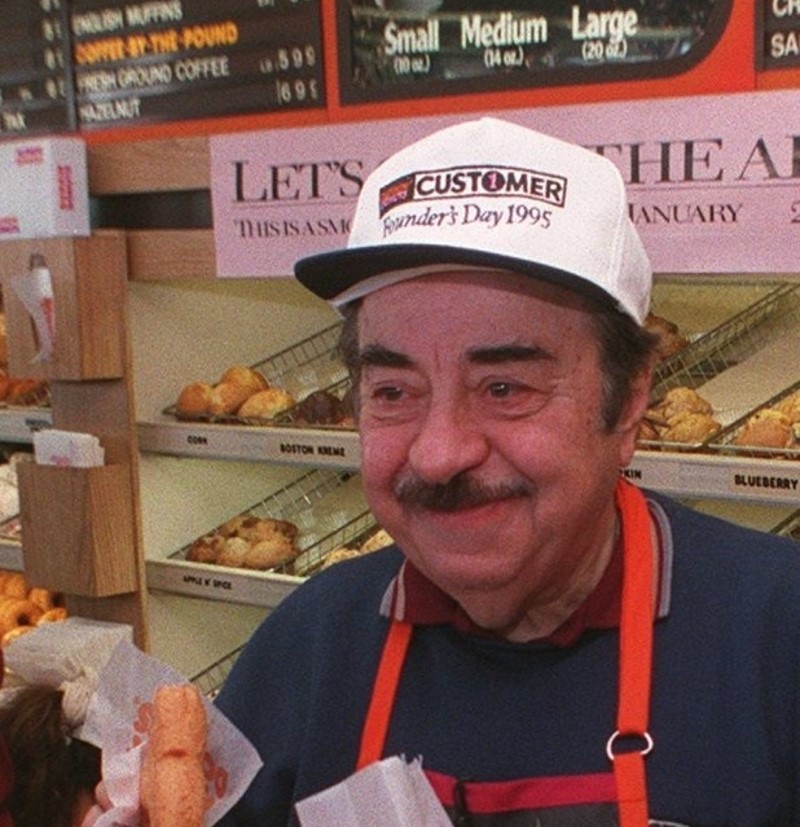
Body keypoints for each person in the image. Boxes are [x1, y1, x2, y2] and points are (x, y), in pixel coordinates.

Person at [215, 117, 800, 826]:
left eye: (504, 388)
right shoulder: (306, 649)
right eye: (394, 392)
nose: (438, 453)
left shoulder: (776, 635)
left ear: (628, 402)